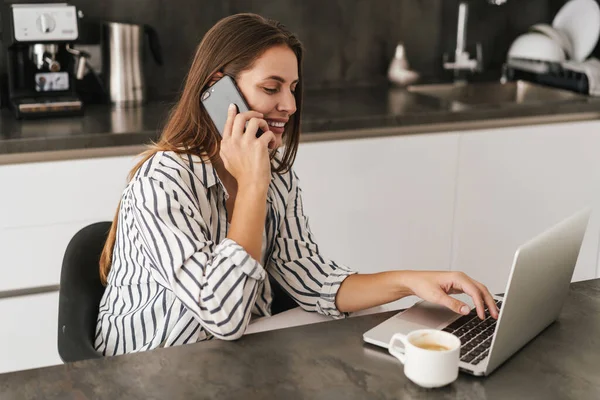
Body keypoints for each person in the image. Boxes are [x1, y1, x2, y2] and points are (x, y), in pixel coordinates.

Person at [95, 13, 498, 356]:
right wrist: (253, 184)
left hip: (229, 354)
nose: (288, 105)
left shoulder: (277, 175)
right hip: (148, 366)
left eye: (292, 88)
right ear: (217, 89)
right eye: (271, 88)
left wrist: (411, 281)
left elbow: (314, 280)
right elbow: (223, 315)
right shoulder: (163, 182)